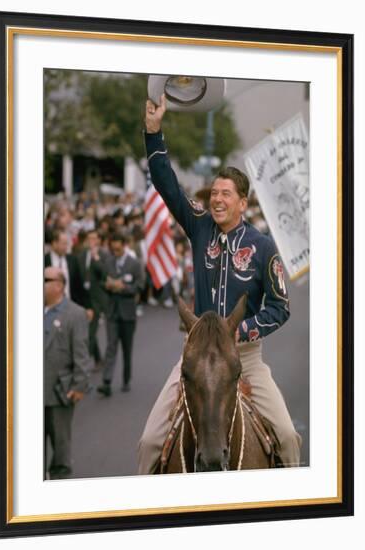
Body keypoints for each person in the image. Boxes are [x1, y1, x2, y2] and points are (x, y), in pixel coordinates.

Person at [138, 94, 302, 473]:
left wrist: (241, 330)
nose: (216, 198)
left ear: (242, 202)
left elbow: (281, 307)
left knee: (289, 438)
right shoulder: (199, 227)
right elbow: (167, 184)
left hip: (245, 359)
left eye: (226, 193)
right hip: (195, 357)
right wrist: (153, 131)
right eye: (213, 193)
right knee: (148, 443)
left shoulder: (264, 248)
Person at [44, 266, 91, 479]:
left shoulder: (75, 314)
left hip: (59, 392)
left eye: (45, 279)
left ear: (59, 286)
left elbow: (81, 354)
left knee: (60, 448)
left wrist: (79, 385)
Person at [97, 233, 144, 396]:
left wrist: (123, 287)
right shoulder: (108, 262)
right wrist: (108, 285)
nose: (115, 251)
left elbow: (140, 286)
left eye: (118, 248)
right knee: (110, 347)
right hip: (112, 312)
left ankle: (126, 379)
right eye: (113, 249)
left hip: (128, 313)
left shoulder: (135, 264)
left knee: (126, 348)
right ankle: (107, 381)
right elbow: (102, 281)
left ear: (124, 245)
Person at [75, 228, 109, 367]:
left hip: (98, 298)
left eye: (94, 239)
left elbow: (105, 274)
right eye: (89, 239)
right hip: (85, 297)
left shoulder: (104, 255)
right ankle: (98, 357)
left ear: (99, 240)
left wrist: (96, 258)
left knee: (92, 329)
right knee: (89, 329)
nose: (92, 242)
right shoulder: (81, 255)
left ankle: (85, 361)